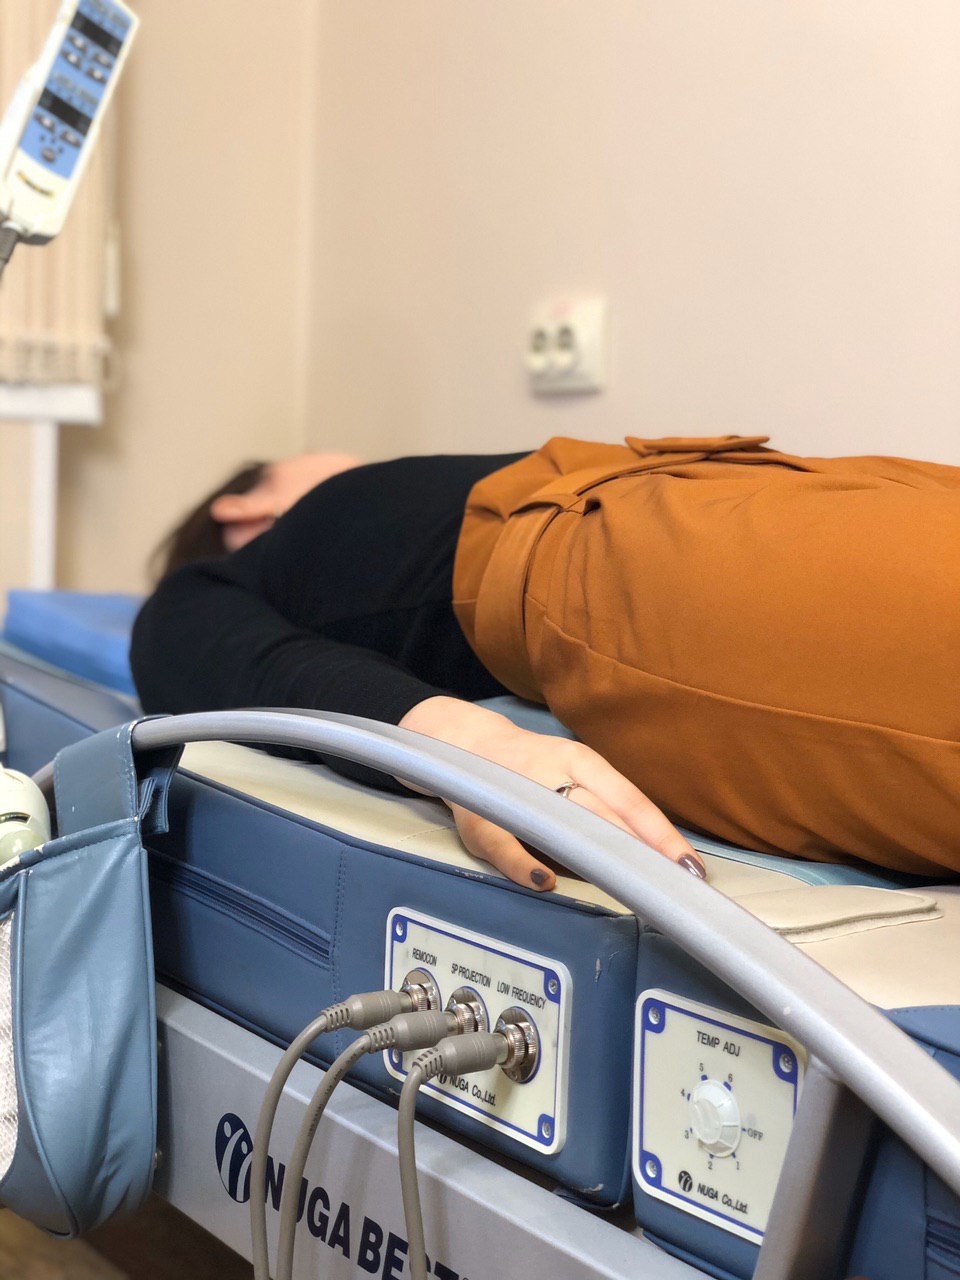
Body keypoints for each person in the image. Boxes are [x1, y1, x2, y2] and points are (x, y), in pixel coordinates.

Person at [133, 436, 960, 891]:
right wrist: (465, 751)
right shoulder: (249, 564)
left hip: (738, 489)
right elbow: (175, 634)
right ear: (243, 508)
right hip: (637, 563)